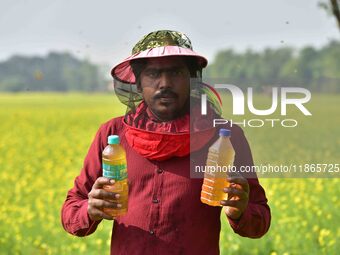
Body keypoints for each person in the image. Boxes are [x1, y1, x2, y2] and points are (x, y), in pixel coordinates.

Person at [61, 30, 271, 255]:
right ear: (138, 84)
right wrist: (89, 210)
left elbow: (260, 219)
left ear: (192, 80)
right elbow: (72, 209)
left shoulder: (225, 136)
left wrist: (240, 212)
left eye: (176, 72)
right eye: (153, 73)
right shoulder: (113, 134)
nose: (165, 83)